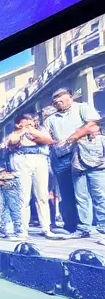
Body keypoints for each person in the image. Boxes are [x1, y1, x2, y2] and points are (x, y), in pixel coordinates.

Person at [45, 88, 105, 241]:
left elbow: (93, 125)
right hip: (64, 159)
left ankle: (102, 227)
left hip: (87, 154)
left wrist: (74, 136)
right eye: (54, 98)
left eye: (59, 96)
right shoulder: (50, 119)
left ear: (69, 96)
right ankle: (82, 227)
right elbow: (47, 138)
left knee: (99, 193)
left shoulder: (82, 108)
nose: (56, 100)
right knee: (79, 194)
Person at [0, 112, 59, 239]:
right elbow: (12, 142)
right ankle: (22, 230)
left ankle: (46, 228)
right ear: (18, 122)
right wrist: (22, 131)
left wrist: (30, 129)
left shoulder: (40, 129)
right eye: (26, 120)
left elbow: (48, 140)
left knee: (42, 195)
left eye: (31, 119)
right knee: (23, 197)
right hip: (21, 159)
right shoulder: (14, 133)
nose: (30, 121)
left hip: (40, 158)